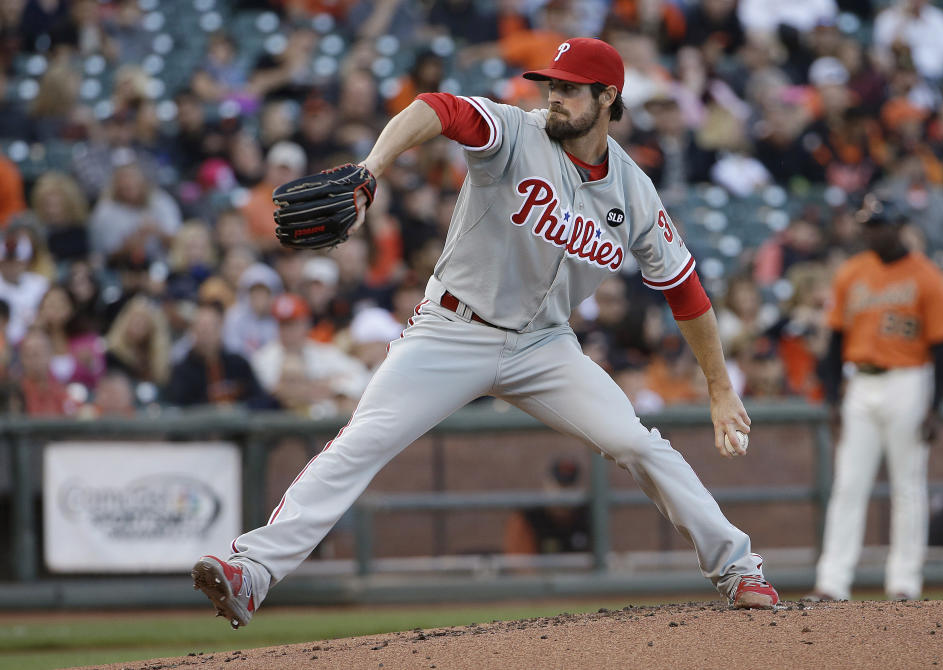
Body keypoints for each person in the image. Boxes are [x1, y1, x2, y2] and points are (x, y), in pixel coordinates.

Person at [192, 37, 779, 629]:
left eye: (570, 88)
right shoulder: (515, 132)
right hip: (451, 327)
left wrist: (719, 387)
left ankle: (740, 569)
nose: (554, 97)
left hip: (545, 345)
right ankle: (252, 570)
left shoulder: (634, 191)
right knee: (360, 442)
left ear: (608, 98)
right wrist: (372, 169)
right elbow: (437, 108)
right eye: (551, 84)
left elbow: (686, 292)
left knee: (638, 444)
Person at [807, 195, 943, 602]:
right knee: (848, 485)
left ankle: (904, 582)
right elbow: (836, 339)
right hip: (861, 382)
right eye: (868, 226)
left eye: (878, 226)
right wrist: (834, 399)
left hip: (908, 379)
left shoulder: (927, 276)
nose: (871, 232)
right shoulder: (852, 272)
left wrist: (935, 407)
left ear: (898, 227)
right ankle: (833, 580)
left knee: (908, 485)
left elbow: (942, 346)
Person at [503, 457, 591, 556]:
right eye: (558, 486)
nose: (563, 493)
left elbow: (600, 561)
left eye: (569, 487)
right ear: (546, 484)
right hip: (542, 571)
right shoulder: (528, 517)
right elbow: (519, 564)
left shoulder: (589, 517)